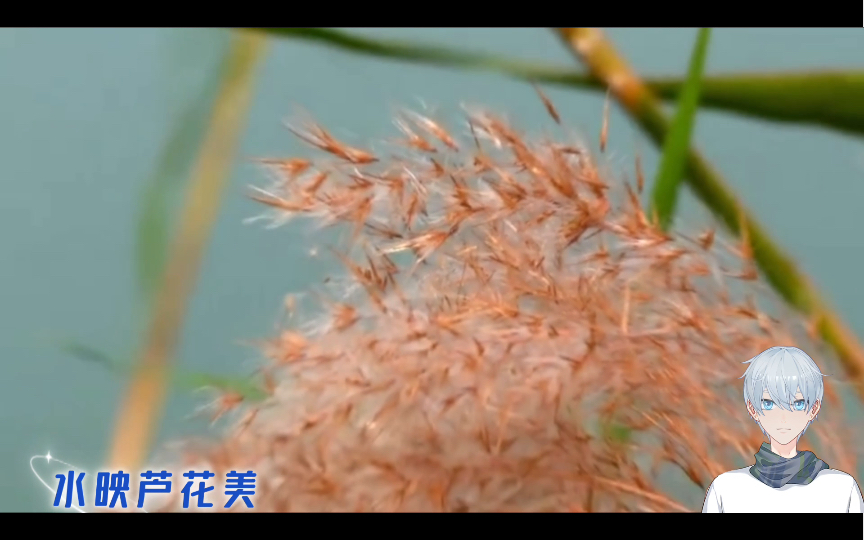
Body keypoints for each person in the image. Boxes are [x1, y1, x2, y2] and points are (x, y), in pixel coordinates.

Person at [702, 346, 864, 513]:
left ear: (814, 408)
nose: (783, 416)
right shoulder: (726, 490)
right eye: (769, 403)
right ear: (752, 409)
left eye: (798, 404)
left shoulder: (841, 489)